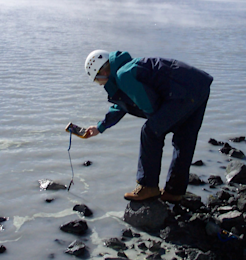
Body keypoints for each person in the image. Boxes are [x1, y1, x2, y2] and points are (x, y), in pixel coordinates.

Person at [84, 50, 213, 202]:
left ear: (103, 71)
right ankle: (174, 192)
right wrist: (100, 127)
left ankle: (148, 186)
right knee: (184, 140)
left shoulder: (123, 75)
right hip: (199, 84)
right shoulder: (127, 69)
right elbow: (123, 105)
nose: (100, 84)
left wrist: (159, 126)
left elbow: (151, 106)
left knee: (150, 132)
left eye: (98, 80)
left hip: (182, 92)